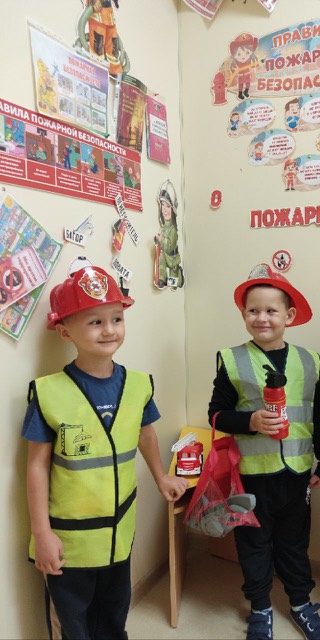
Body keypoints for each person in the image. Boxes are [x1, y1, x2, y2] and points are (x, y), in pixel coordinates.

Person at [22, 263, 189, 640]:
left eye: (116, 318)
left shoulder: (138, 385)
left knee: (114, 617)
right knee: (73, 625)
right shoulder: (49, 393)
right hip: (69, 544)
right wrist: (42, 533)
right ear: (65, 331)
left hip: (118, 535)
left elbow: (145, 434)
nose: (110, 329)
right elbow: (36, 467)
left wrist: (162, 477)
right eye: (95, 322)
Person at [208, 263, 320, 640]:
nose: (261, 317)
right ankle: (260, 608)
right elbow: (216, 414)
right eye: (253, 310)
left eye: (270, 310)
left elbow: (318, 415)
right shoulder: (232, 359)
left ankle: (300, 603)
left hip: (297, 474)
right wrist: (250, 421)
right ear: (243, 315)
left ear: (289, 316)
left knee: (295, 543)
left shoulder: (309, 360)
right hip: (251, 476)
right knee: (253, 544)